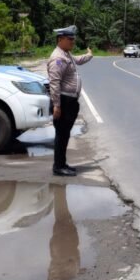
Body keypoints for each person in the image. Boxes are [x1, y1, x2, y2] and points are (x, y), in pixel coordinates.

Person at [47, 25, 93, 176]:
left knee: (65, 134)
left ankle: (62, 163)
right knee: (61, 134)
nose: (73, 42)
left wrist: (89, 55)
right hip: (63, 101)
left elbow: (78, 60)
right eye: (70, 39)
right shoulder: (58, 58)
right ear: (60, 39)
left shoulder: (66, 54)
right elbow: (54, 83)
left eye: (73, 39)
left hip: (69, 101)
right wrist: (57, 105)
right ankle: (58, 167)